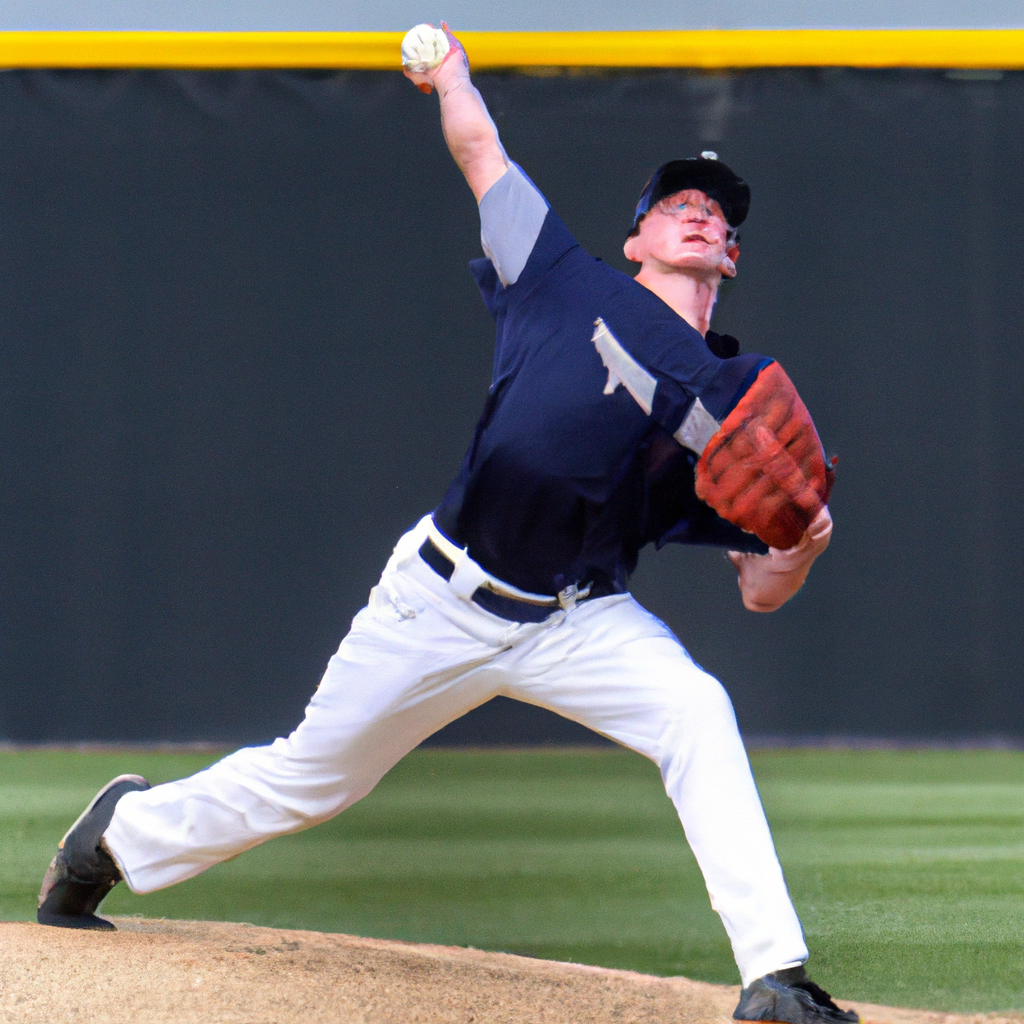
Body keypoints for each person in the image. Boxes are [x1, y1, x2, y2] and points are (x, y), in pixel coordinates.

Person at [37, 23, 852, 1024]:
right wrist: (452, 77)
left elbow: (761, 587)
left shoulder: (730, 405)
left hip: (577, 620)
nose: (698, 212)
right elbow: (482, 155)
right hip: (441, 594)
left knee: (696, 710)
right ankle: (111, 842)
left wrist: (798, 549)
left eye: (715, 212)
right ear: (634, 235)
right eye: (676, 201)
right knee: (309, 779)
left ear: (729, 254)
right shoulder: (557, 274)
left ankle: (773, 978)